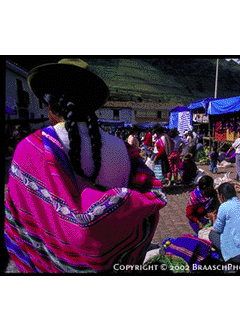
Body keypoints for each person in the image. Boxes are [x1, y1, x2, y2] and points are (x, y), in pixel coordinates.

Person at [4, 59, 167, 273]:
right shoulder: (122, 149)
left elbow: (21, 217)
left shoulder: (31, 150)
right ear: (93, 106)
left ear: (50, 106)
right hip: (112, 264)